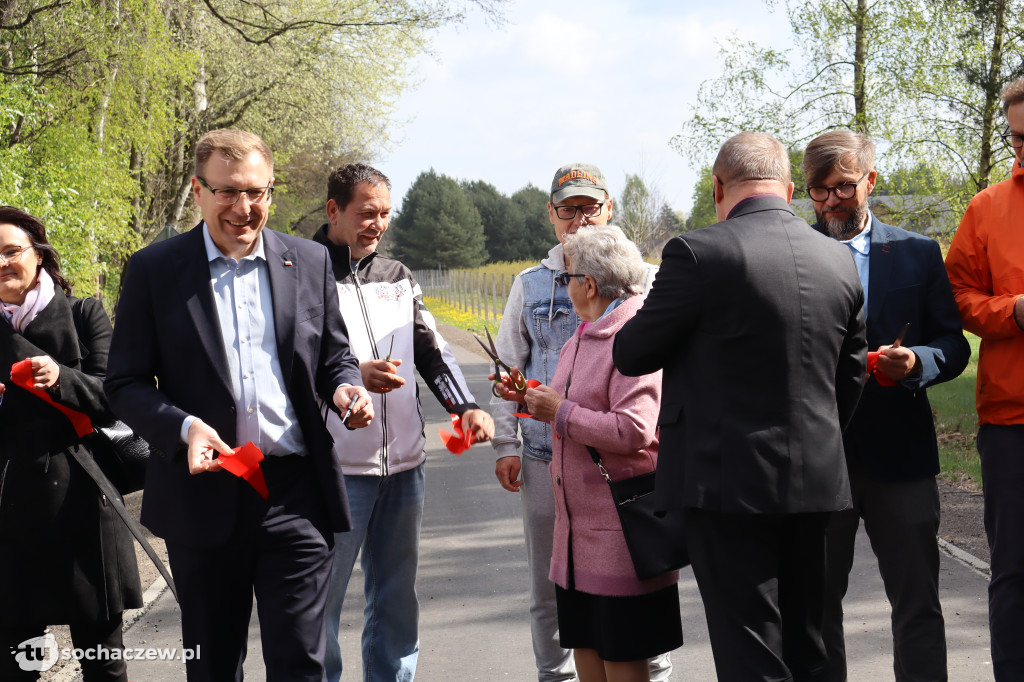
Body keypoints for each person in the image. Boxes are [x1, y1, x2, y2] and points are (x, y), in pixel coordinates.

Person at [104, 129, 373, 682]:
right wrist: (183, 428)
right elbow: (124, 381)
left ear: (271, 191)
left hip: (294, 494)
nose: (242, 207)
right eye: (226, 192)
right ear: (199, 192)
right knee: (214, 662)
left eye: (256, 191)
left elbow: (333, 358)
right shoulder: (155, 270)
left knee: (301, 661)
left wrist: (346, 389)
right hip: (202, 495)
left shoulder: (311, 260)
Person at [614, 132, 867, 682]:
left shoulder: (698, 253)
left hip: (726, 483)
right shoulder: (839, 259)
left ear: (718, 187)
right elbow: (850, 377)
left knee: (749, 646)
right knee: (811, 643)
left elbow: (633, 353)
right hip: (819, 480)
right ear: (792, 189)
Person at [313, 163, 494, 682]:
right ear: (334, 211)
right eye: (367, 213)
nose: (378, 224)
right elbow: (289, 365)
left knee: (395, 600)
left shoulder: (398, 276)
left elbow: (431, 352)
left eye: (385, 214)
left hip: (403, 469)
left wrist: (465, 407)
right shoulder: (302, 272)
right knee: (319, 606)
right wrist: (351, 378)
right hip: (336, 471)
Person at [803, 130, 970, 682]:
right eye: (818, 192)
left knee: (917, 604)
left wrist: (918, 362)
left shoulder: (919, 253)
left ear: (870, 181)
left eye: (843, 189)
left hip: (901, 457)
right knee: (815, 611)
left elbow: (953, 344)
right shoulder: (792, 256)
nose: (830, 203)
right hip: (818, 461)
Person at [490, 163, 667, 682]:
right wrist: (507, 436)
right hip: (549, 461)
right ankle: (556, 676)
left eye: (589, 207)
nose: (579, 218)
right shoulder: (530, 284)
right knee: (559, 591)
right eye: (568, 209)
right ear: (551, 214)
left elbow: (641, 414)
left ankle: (653, 673)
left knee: (631, 593)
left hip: (623, 474)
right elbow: (511, 363)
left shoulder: (643, 285)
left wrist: (557, 409)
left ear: (608, 208)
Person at [518, 225, 682, 682]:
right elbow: (566, 402)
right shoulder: (588, 332)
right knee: (587, 648)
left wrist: (560, 411)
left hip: (620, 536)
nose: (564, 285)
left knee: (623, 658)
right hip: (578, 537)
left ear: (588, 284)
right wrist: (529, 398)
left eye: (567, 277)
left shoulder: (632, 336)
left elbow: (634, 429)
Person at [0, 206, 142, 681]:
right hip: (7, 513)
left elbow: (117, 396)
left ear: (38, 255)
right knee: (15, 665)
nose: (1, 263)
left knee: (103, 661)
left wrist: (62, 378)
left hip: (84, 504)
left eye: (11, 251)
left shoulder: (84, 314)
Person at [945, 77, 1024, 681]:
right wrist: (1013, 312)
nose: (1021, 151)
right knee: (1015, 572)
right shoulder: (988, 206)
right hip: (1011, 422)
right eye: (1015, 138)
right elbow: (958, 299)